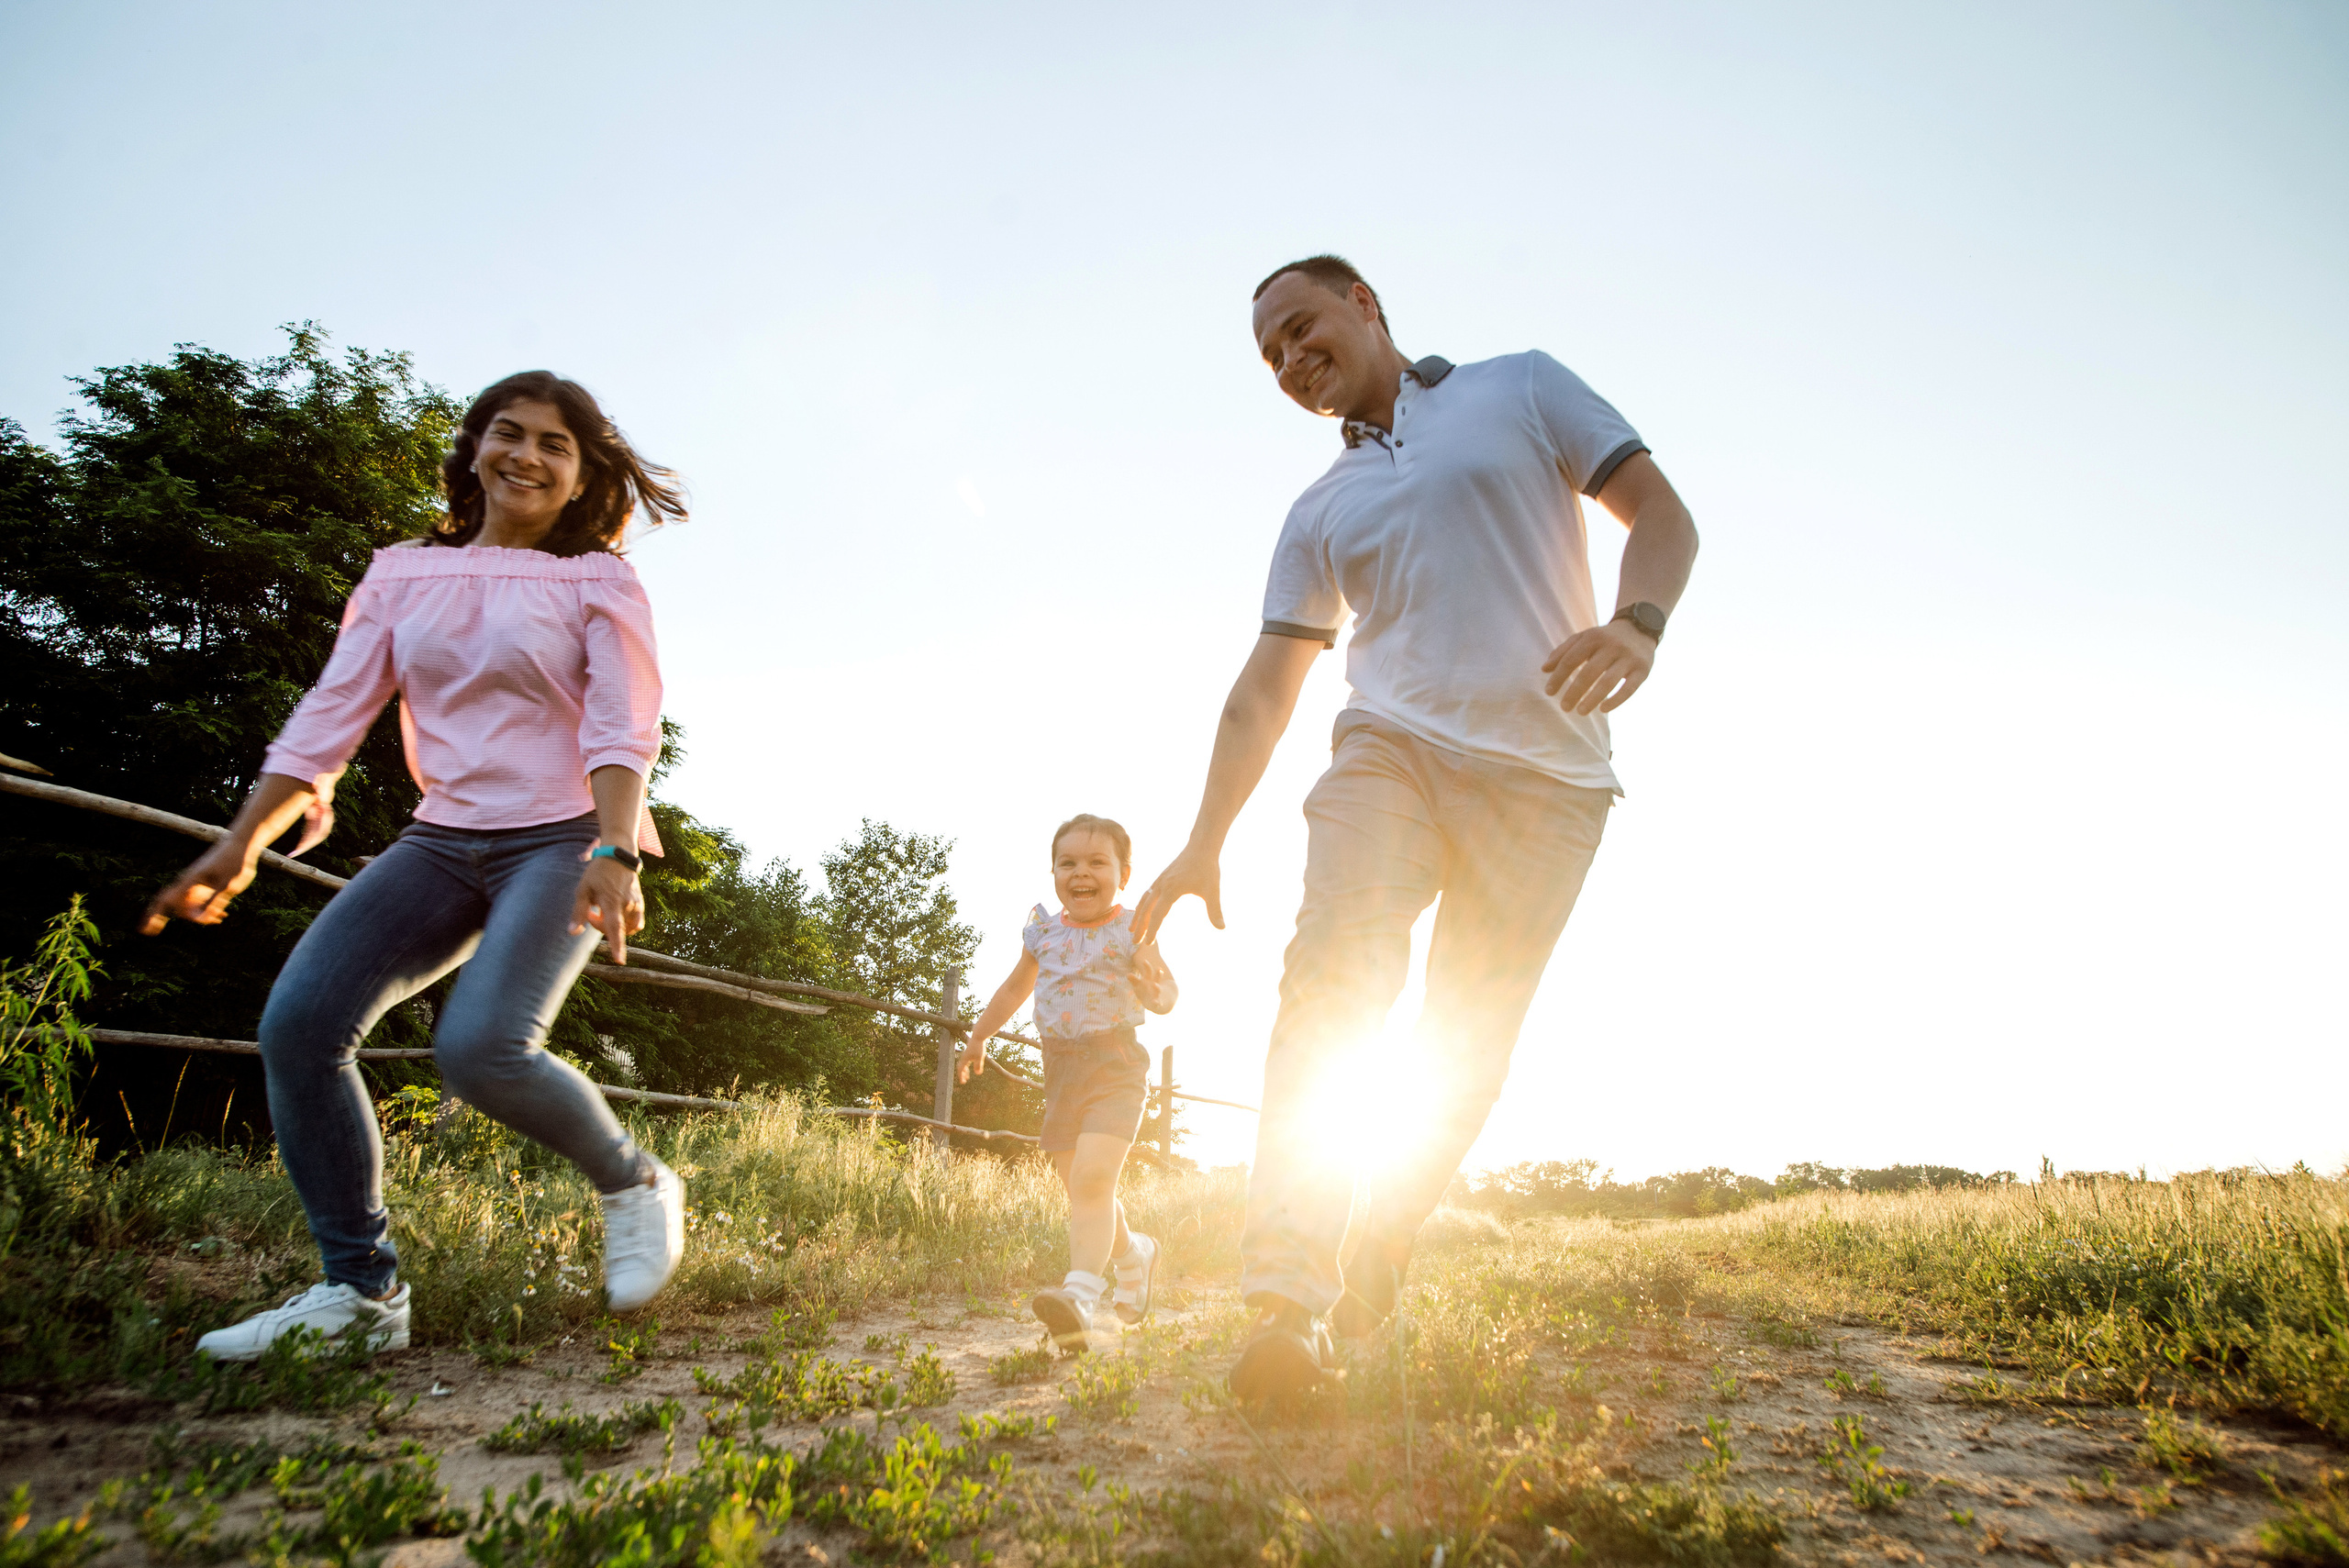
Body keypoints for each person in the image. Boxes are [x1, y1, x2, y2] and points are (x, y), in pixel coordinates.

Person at [1130, 256, 1700, 1398]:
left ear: (1365, 306)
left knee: (1466, 1047)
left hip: (1549, 782)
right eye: (1270, 356)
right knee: (1329, 985)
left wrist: (1637, 624)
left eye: (1301, 329)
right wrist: (1203, 840)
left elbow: (1662, 514)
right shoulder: (1318, 509)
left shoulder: (1520, 386)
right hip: (1387, 755)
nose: (1291, 361)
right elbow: (1265, 688)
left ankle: (1376, 1251)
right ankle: (1283, 1305)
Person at [142, 371, 692, 1361]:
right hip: (443, 838)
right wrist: (242, 839)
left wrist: (614, 848)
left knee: (481, 1046)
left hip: (560, 832)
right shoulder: (401, 572)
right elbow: (330, 712)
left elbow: (621, 719)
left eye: (554, 445)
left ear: (581, 476)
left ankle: (633, 1179)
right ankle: (361, 1292)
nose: (526, 455)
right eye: (508, 434)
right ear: (475, 448)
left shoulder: (596, 579)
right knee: (300, 1024)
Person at [958, 814, 1178, 1349]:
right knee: (1082, 1188)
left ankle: (1080, 1293)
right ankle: (1133, 1255)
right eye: (1069, 863)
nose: (1082, 873)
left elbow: (1167, 993)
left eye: (1097, 862)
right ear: (1054, 872)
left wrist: (1152, 989)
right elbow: (1014, 987)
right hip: (1060, 1070)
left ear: (1123, 874)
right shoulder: (1044, 932)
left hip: (1116, 1065)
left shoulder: (1134, 927)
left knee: (1095, 1180)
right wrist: (979, 1035)